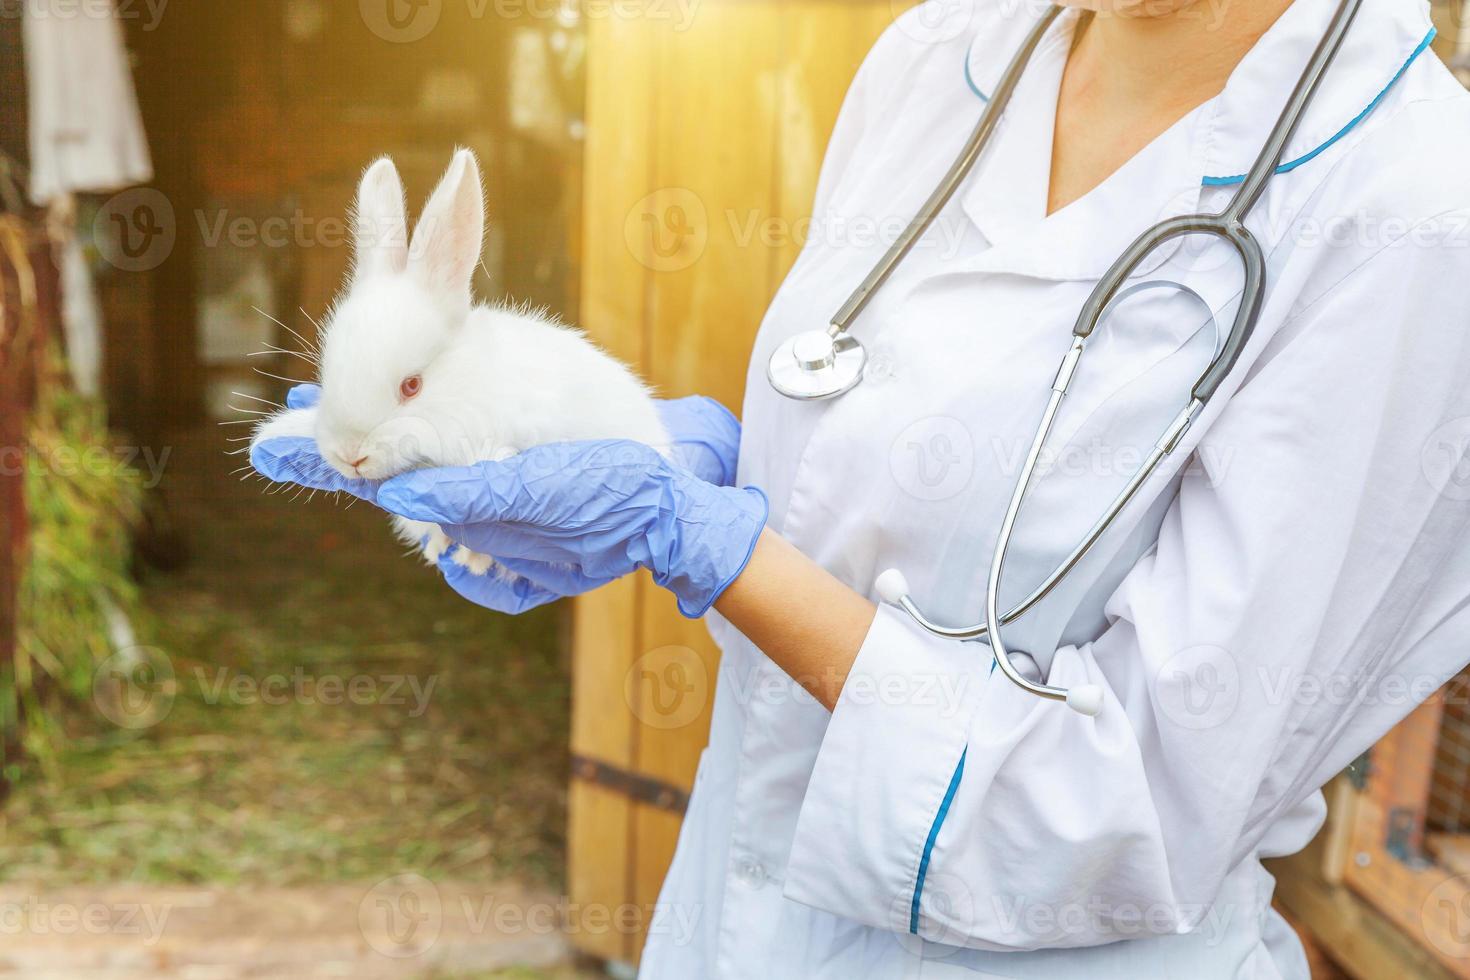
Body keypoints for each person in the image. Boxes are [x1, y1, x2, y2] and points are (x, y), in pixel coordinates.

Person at [254, 0, 1470, 974]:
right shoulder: (940, 56)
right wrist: (708, 470)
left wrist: (713, 547)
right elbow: (877, 448)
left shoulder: (1411, 207)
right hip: (732, 928)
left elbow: (1131, 805)